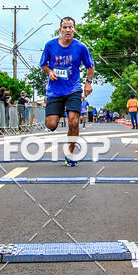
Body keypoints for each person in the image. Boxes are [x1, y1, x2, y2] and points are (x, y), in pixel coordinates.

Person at [39, 16, 94, 166]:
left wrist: (88, 83)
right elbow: (43, 64)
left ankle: (69, 154)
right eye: (65, 27)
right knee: (51, 124)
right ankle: (58, 114)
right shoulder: (50, 46)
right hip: (55, 90)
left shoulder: (81, 47)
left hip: (73, 89)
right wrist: (49, 71)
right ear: (60, 30)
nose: (68, 30)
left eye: (71, 27)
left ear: (75, 30)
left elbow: (90, 67)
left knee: (74, 122)